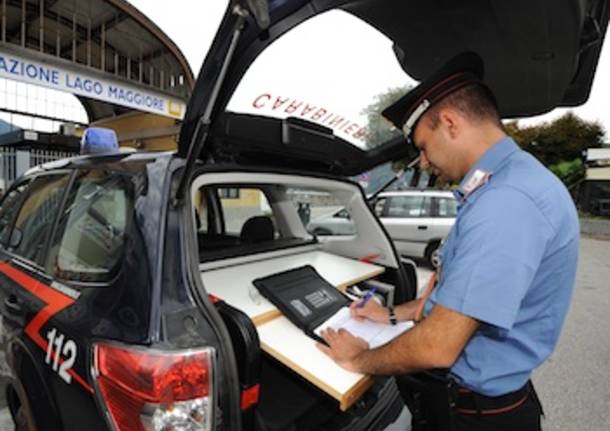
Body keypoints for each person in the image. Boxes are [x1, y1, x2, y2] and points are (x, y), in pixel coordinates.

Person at [317, 52, 579, 431]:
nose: (423, 162)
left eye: (423, 146)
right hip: (481, 402)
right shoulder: (507, 184)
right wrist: (390, 315)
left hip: (480, 416)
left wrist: (359, 359)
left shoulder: (507, 202)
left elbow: (437, 345)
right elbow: (456, 302)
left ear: (450, 123)